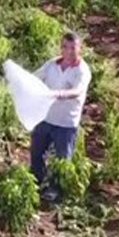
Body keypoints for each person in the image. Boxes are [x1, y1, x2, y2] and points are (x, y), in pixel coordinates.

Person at [30, 33, 92, 201]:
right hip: (45, 118)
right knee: (37, 152)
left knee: (62, 159)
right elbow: (35, 78)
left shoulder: (82, 70)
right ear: (61, 48)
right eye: (65, 47)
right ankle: (36, 181)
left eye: (73, 47)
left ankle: (55, 189)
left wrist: (58, 94)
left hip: (66, 123)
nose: (69, 51)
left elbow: (77, 91)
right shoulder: (52, 64)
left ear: (80, 49)